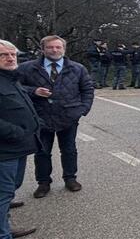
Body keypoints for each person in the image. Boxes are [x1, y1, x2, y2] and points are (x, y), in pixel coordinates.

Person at [17, 35, 94, 198]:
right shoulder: (26, 68)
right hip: (40, 117)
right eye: (51, 47)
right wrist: (34, 91)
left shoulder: (77, 68)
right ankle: (43, 183)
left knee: (69, 150)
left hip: (68, 116)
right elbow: (16, 87)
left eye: (58, 47)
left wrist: (82, 110)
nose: (55, 50)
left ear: (64, 49)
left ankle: (70, 178)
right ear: (43, 49)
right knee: (42, 152)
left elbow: (87, 90)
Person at [0, 39, 44, 239]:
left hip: (17, 148)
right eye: (3, 55)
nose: (10, 58)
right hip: (5, 149)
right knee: (2, 194)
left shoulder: (11, 79)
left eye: (13, 55)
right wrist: (16, 132)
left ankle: (4, 230)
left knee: (9, 191)